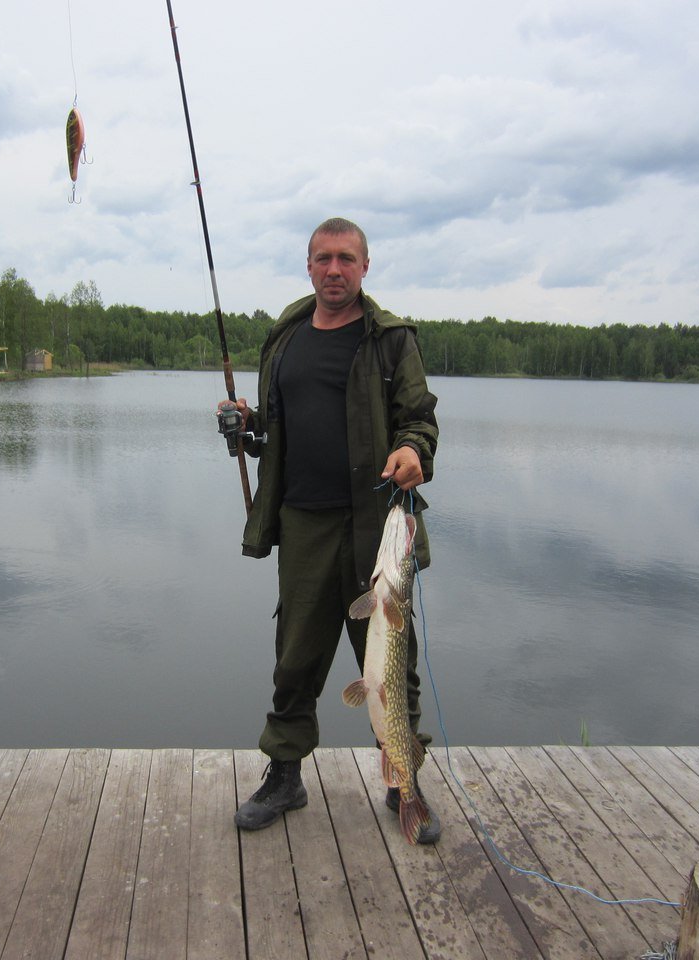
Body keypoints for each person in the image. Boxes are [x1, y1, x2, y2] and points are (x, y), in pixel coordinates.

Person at [221, 217, 441, 843]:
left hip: (375, 523)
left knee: (393, 659)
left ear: (365, 267)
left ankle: (403, 778)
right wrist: (246, 427)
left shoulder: (390, 339)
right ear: (308, 265)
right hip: (303, 523)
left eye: (346, 258)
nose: (334, 269)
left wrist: (413, 451)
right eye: (323, 258)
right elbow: (274, 429)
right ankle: (284, 775)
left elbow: (419, 421)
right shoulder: (286, 338)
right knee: (295, 654)